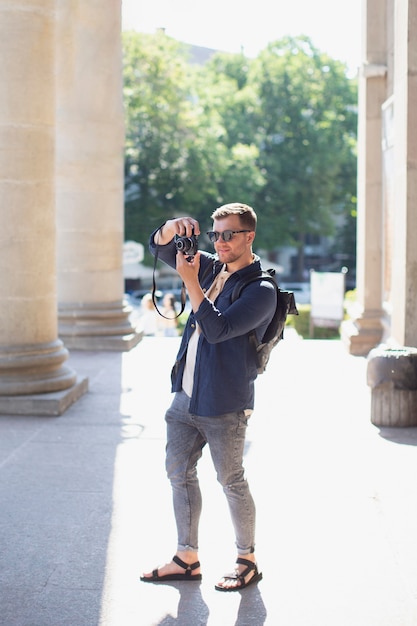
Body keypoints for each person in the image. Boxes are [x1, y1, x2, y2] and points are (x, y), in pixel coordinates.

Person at [140, 203, 276, 591]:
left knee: (231, 480)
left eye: (228, 235)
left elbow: (218, 329)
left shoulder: (260, 289)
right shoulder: (213, 266)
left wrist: (191, 284)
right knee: (178, 474)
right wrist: (170, 227)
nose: (220, 242)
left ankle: (246, 559)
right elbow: (159, 247)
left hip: (225, 403)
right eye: (215, 235)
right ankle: (186, 557)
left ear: (249, 236)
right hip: (185, 396)